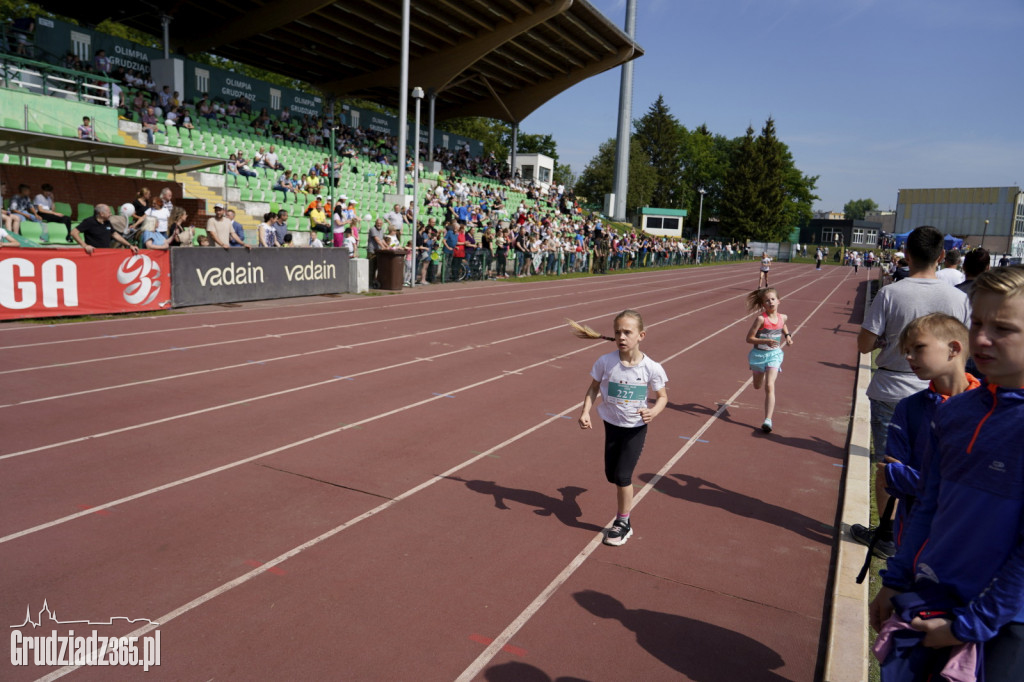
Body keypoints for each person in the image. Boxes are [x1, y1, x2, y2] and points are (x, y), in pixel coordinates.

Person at [870, 267, 1024, 682]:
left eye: (1004, 328)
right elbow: (928, 507)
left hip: (1007, 620)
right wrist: (896, 580)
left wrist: (967, 627)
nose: (983, 338)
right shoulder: (953, 413)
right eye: (978, 323)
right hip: (935, 595)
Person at [856, 225, 971, 555]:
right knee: (938, 463)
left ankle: (888, 534)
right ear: (941, 256)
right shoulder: (959, 298)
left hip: (893, 387)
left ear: (906, 254)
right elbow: (966, 346)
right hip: (944, 391)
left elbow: (865, 344)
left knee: (888, 464)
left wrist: (884, 341)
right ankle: (932, 531)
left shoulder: (892, 293)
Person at [850, 313, 978, 559]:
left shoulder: (988, 409)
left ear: (953, 348)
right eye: (906, 350)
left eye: (918, 348)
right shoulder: (909, 408)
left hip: (963, 545)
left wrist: (915, 479)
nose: (908, 357)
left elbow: (977, 491)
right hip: (912, 537)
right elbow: (891, 474)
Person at [578, 310, 669, 547]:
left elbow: (662, 397)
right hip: (611, 423)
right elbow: (593, 388)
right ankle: (622, 514)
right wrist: (585, 411)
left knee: (622, 476)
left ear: (641, 335)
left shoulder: (651, 368)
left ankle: (623, 522)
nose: (621, 336)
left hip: (635, 427)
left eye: (627, 332)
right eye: (618, 332)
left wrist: (654, 411)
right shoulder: (606, 362)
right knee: (611, 475)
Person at [745, 287, 794, 433]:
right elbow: (748, 339)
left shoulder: (783, 317)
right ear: (763, 305)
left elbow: (783, 325)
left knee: (769, 386)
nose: (770, 302)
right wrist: (765, 340)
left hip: (774, 355)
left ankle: (768, 420)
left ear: (779, 301)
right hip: (759, 356)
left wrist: (788, 336)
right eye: (767, 300)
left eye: (773, 299)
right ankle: (760, 374)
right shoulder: (761, 319)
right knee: (757, 386)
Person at [69, 204, 139, 255]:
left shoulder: (107, 222)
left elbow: (115, 234)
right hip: (93, 254)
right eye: (109, 212)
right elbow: (74, 232)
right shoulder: (89, 221)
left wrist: (130, 245)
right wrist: (85, 246)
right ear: (101, 214)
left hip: (105, 253)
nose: (111, 214)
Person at [366, 218, 386, 287]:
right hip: (372, 251)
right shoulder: (373, 229)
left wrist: (387, 246)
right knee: (371, 268)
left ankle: (373, 282)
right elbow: (377, 239)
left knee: (376, 268)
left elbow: (382, 239)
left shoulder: (382, 230)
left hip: (378, 252)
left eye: (380, 223)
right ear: (375, 223)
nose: (379, 224)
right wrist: (383, 247)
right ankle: (369, 283)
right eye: (378, 223)